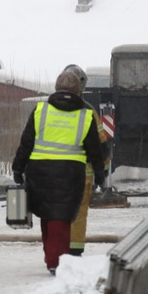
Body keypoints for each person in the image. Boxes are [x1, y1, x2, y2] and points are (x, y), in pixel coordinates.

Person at [12, 71, 106, 275]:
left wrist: (17, 168)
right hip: (70, 173)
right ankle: (57, 262)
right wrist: (100, 175)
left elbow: (26, 142)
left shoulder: (40, 110)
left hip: (39, 171)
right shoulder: (86, 115)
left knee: (47, 215)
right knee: (61, 218)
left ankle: (52, 257)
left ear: (56, 89)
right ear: (78, 91)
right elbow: (95, 151)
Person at [62, 64, 112, 257]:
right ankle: (74, 250)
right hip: (82, 173)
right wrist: (103, 171)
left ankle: (56, 251)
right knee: (78, 212)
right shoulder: (88, 111)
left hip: (53, 171)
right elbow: (100, 146)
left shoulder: (46, 109)